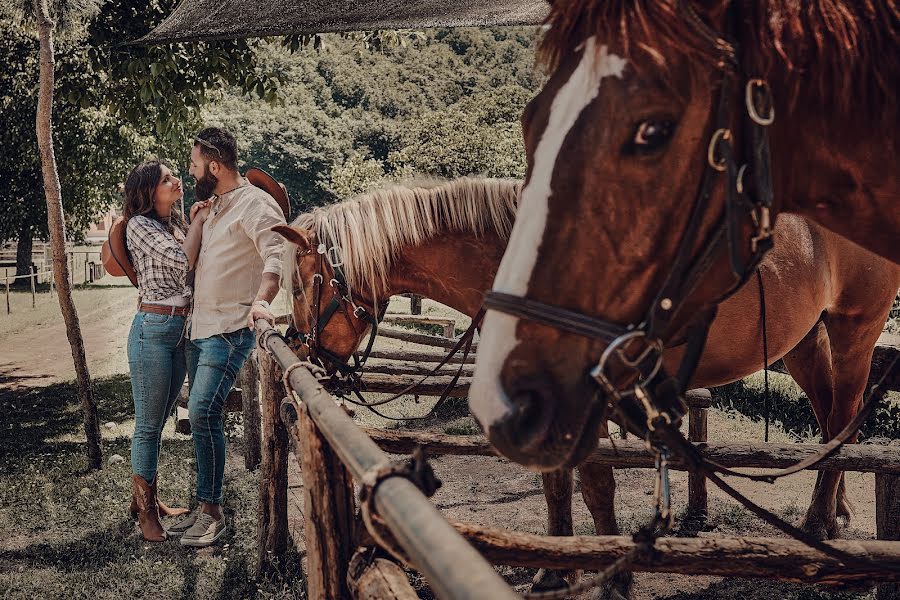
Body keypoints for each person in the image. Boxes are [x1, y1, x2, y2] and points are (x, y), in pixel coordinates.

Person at [167, 127, 285, 548]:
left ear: (214, 166)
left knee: (201, 412)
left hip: (231, 329)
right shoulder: (215, 206)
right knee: (204, 417)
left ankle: (213, 515)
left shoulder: (256, 204)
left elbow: (276, 255)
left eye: (195, 163)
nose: (190, 169)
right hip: (201, 327)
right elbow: (190, 261)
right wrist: (199, 217)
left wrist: (261, 301)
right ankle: (204, 507)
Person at [123, 160, 210, 542]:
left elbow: (201, 264)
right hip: (153, 330)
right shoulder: (138, 226)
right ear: (147, 191)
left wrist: (192, 222)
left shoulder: (175, 225)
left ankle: (148, 502)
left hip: (181, 331)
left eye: (175, 174)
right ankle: (147, 518)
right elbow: (182, 261)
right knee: (146, 426)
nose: (176, 181)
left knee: (157, 425)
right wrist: (199, 226)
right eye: (166, 179)